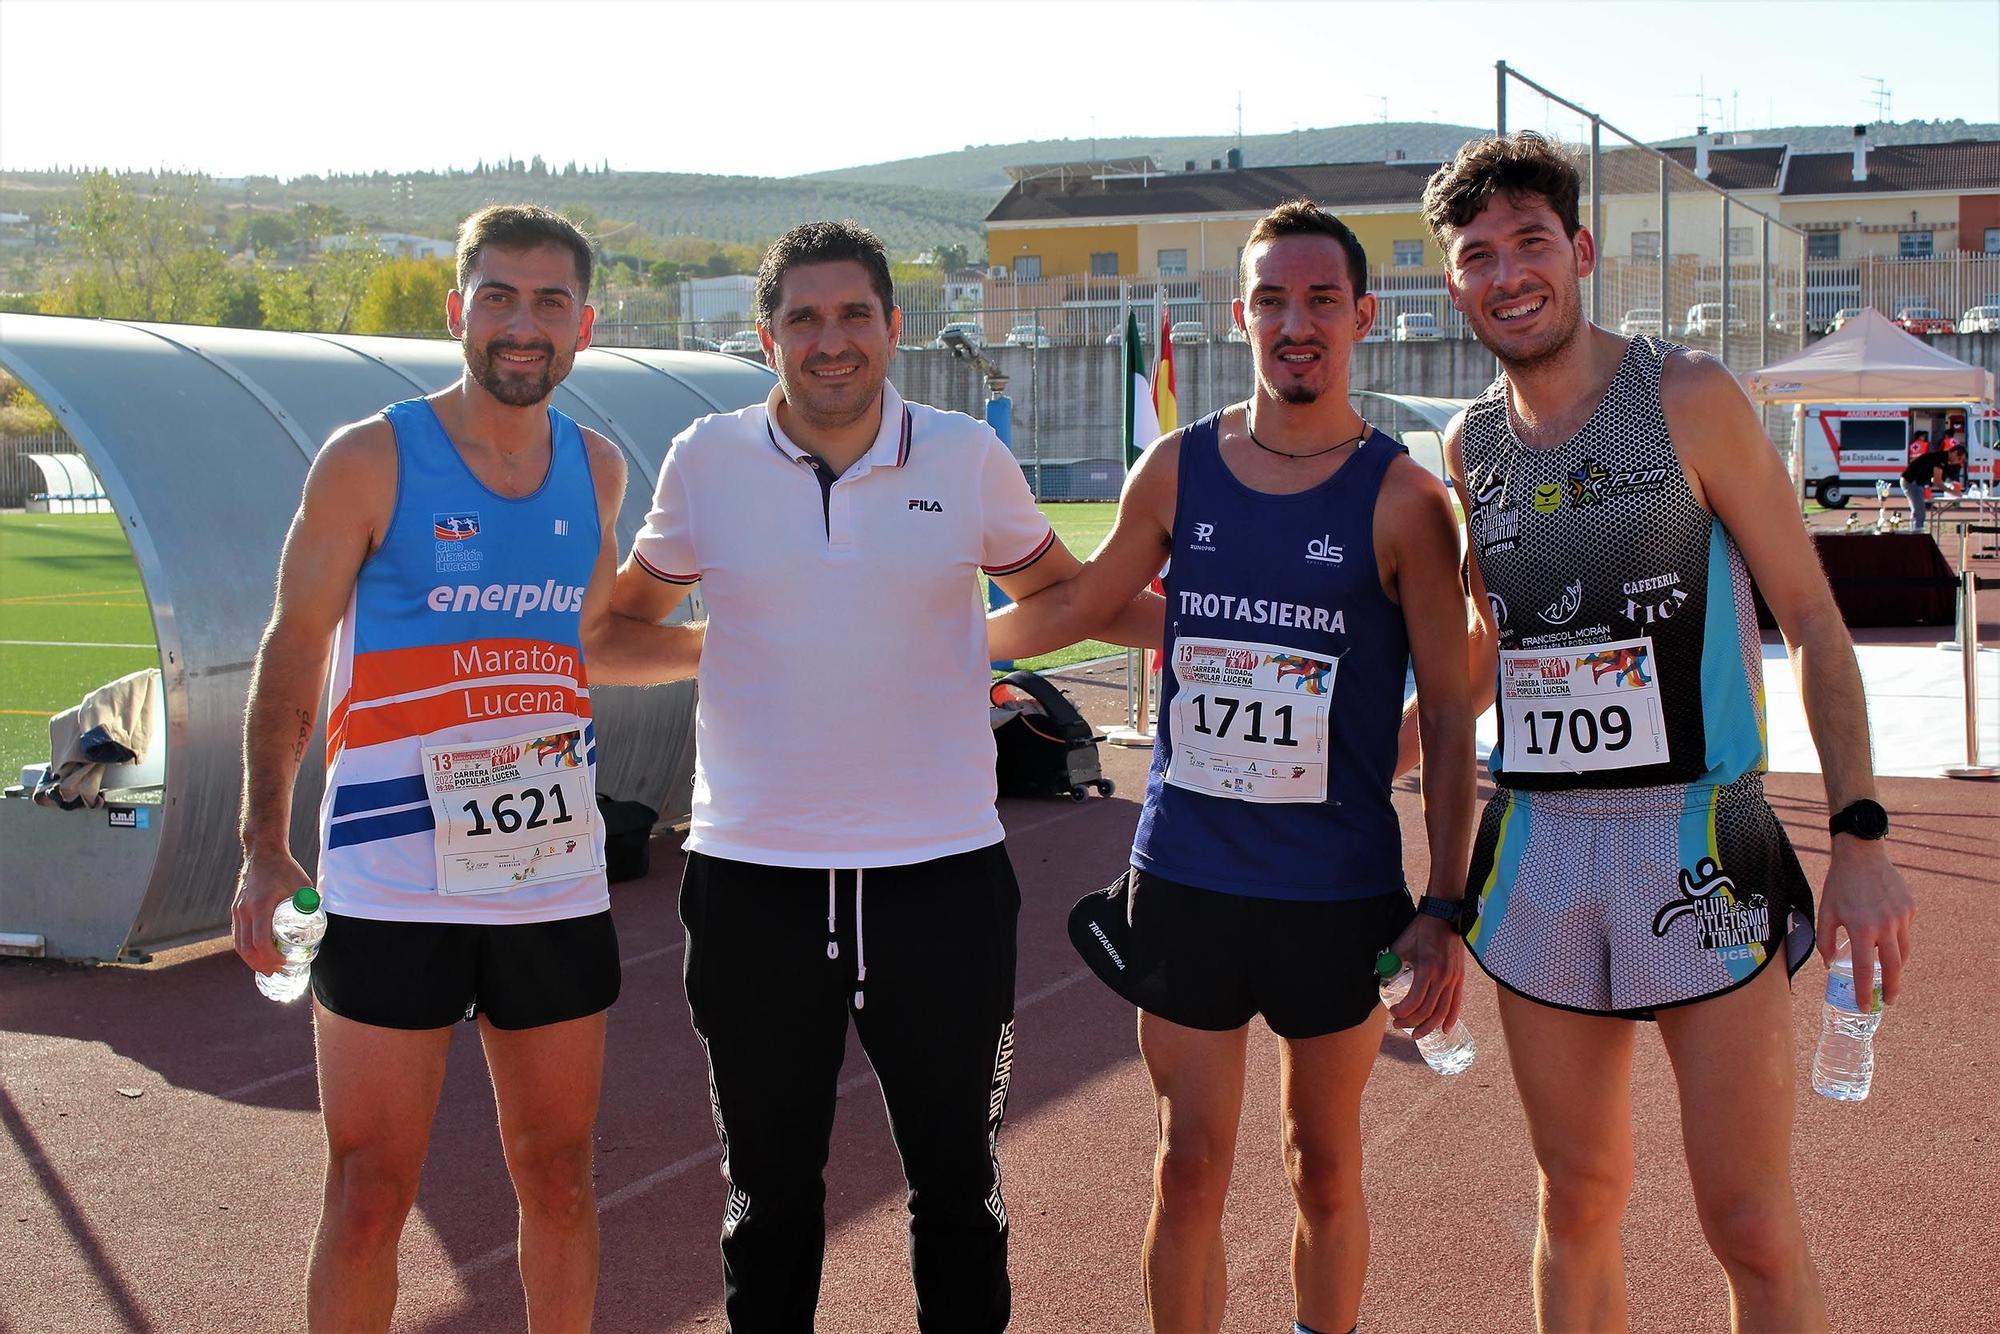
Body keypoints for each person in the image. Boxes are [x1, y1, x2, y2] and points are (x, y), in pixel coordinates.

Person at [1406, 132, 1915, 1334]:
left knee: (1743, 1214)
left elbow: (1812, 618)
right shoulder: (1470, 446)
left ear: (1578, 251)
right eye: (1476, 255)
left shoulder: (1685, 397)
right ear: (1453, 284)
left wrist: (1858, 833)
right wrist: (1375, 744)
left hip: (1700, 835)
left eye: (1530, 241)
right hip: (1539, 850)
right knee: (1573, 1199)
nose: (1506, 271)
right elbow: (1501, 653)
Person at [609, 219, 1155, 1332]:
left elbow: (1062, 594)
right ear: (766, 339)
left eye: (853, 313)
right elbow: (618, 629)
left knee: (959, 1189)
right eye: (802, 318)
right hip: (754, 879)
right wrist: (729, 644)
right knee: (764, 1199)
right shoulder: (706, 458)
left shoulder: (960, 453)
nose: (830, 340)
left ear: (892, 327)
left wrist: (974, 646)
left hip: (939, 877)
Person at [988, 199, 1476, 1334]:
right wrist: (944, 637)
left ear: (1361, 315)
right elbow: (1086, 602)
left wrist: (1444, 901)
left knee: (1322, 1164)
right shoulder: (1175, 468)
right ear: (1238, 313)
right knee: (1188, 1166)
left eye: (1318, 299)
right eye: (1270, 299)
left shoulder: (1404, 500)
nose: (1293, 322)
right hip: (1188, 881)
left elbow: (1449, 717)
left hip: (1336, 891)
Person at [232, 204, 698, 1333]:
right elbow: (293, 647)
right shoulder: (370, 458)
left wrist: (733, 644)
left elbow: (584, 640)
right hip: (391, 880)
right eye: (498, 295)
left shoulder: (594, 468)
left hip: (549, 878)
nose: (521, 324)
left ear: (583, 324)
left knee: (557, 1174)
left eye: (547, 301)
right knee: (368, 1191)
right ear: (458, 310)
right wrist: (259, 846)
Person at [1901, 439, 1957, 531]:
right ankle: (1916, 534)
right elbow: (1938, 481)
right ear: (1954, 453)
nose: (1957, 462)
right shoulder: (1941, 459)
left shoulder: (1940, 457)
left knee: (1918, 511)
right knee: (1919, 512)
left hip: (1915, 481)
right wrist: (1953, 492)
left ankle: (1915, 531)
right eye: (1959, 459)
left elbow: (1934, 478)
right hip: (1912, 481)